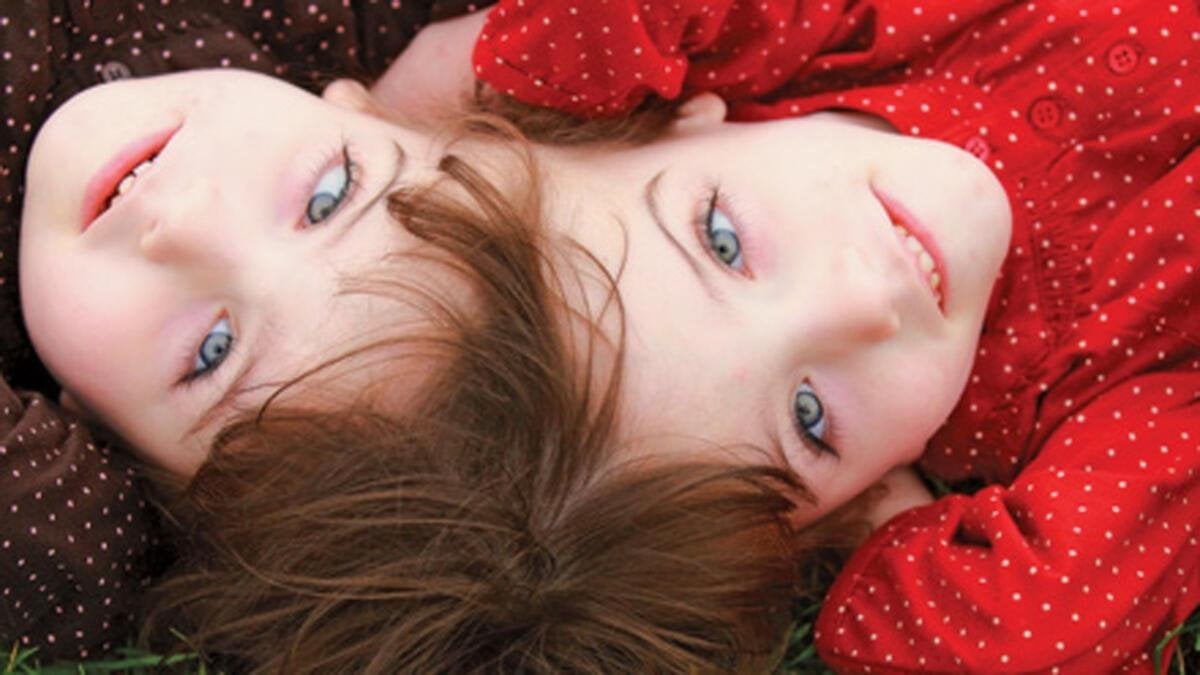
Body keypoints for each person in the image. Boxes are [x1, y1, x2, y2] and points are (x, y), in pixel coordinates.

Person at [148, 0, 1200, 672]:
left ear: (673, 112)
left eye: (724, 240)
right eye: (810, 416)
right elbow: (1011, 638)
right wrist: (874, 522)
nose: (861, 299)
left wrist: (449, 89)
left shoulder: (829, 38)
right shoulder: (1121, 397)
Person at [1, 0, 489, 661]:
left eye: (212, 351)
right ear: (369, 106)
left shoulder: (51, 489)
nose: (187, 218)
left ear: (100, 433)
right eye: (328, 197)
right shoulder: (313, 22)